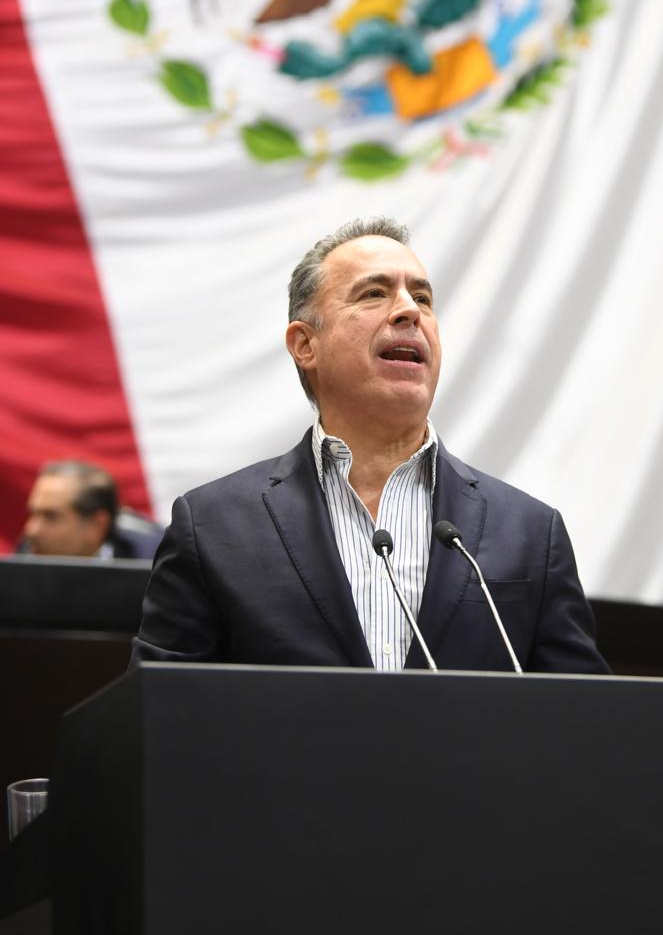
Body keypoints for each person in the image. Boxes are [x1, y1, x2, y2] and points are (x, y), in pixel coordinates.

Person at [132, 218, 608, 672]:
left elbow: (585, 715)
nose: (409, 311)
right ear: (305, 345)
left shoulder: (530, 532)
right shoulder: (213, 527)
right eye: (374, 293)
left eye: (422, 297)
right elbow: (159, 711)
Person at [20, 460, 163, 559]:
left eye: (51, 516)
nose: (31, 530)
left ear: (97, 524)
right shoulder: (29, 549)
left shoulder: (149, 560)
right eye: (33, 514)